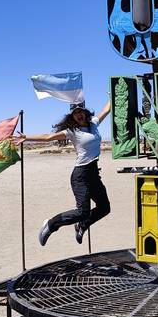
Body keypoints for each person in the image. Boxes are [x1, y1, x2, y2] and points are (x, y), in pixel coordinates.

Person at [20, 100, 111, 247]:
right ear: (72, 117)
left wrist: (115, 92)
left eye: (81, 112)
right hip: (81, 175)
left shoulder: (93, 123)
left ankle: (82, 225)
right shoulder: (72, 132)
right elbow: (47, 137)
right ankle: (50, 224)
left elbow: (106, 110)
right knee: (82, 211)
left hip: (94, 173)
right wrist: (26, 138)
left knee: (104, 207)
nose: (79, 115)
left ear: (85, 112)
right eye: (75, 114)